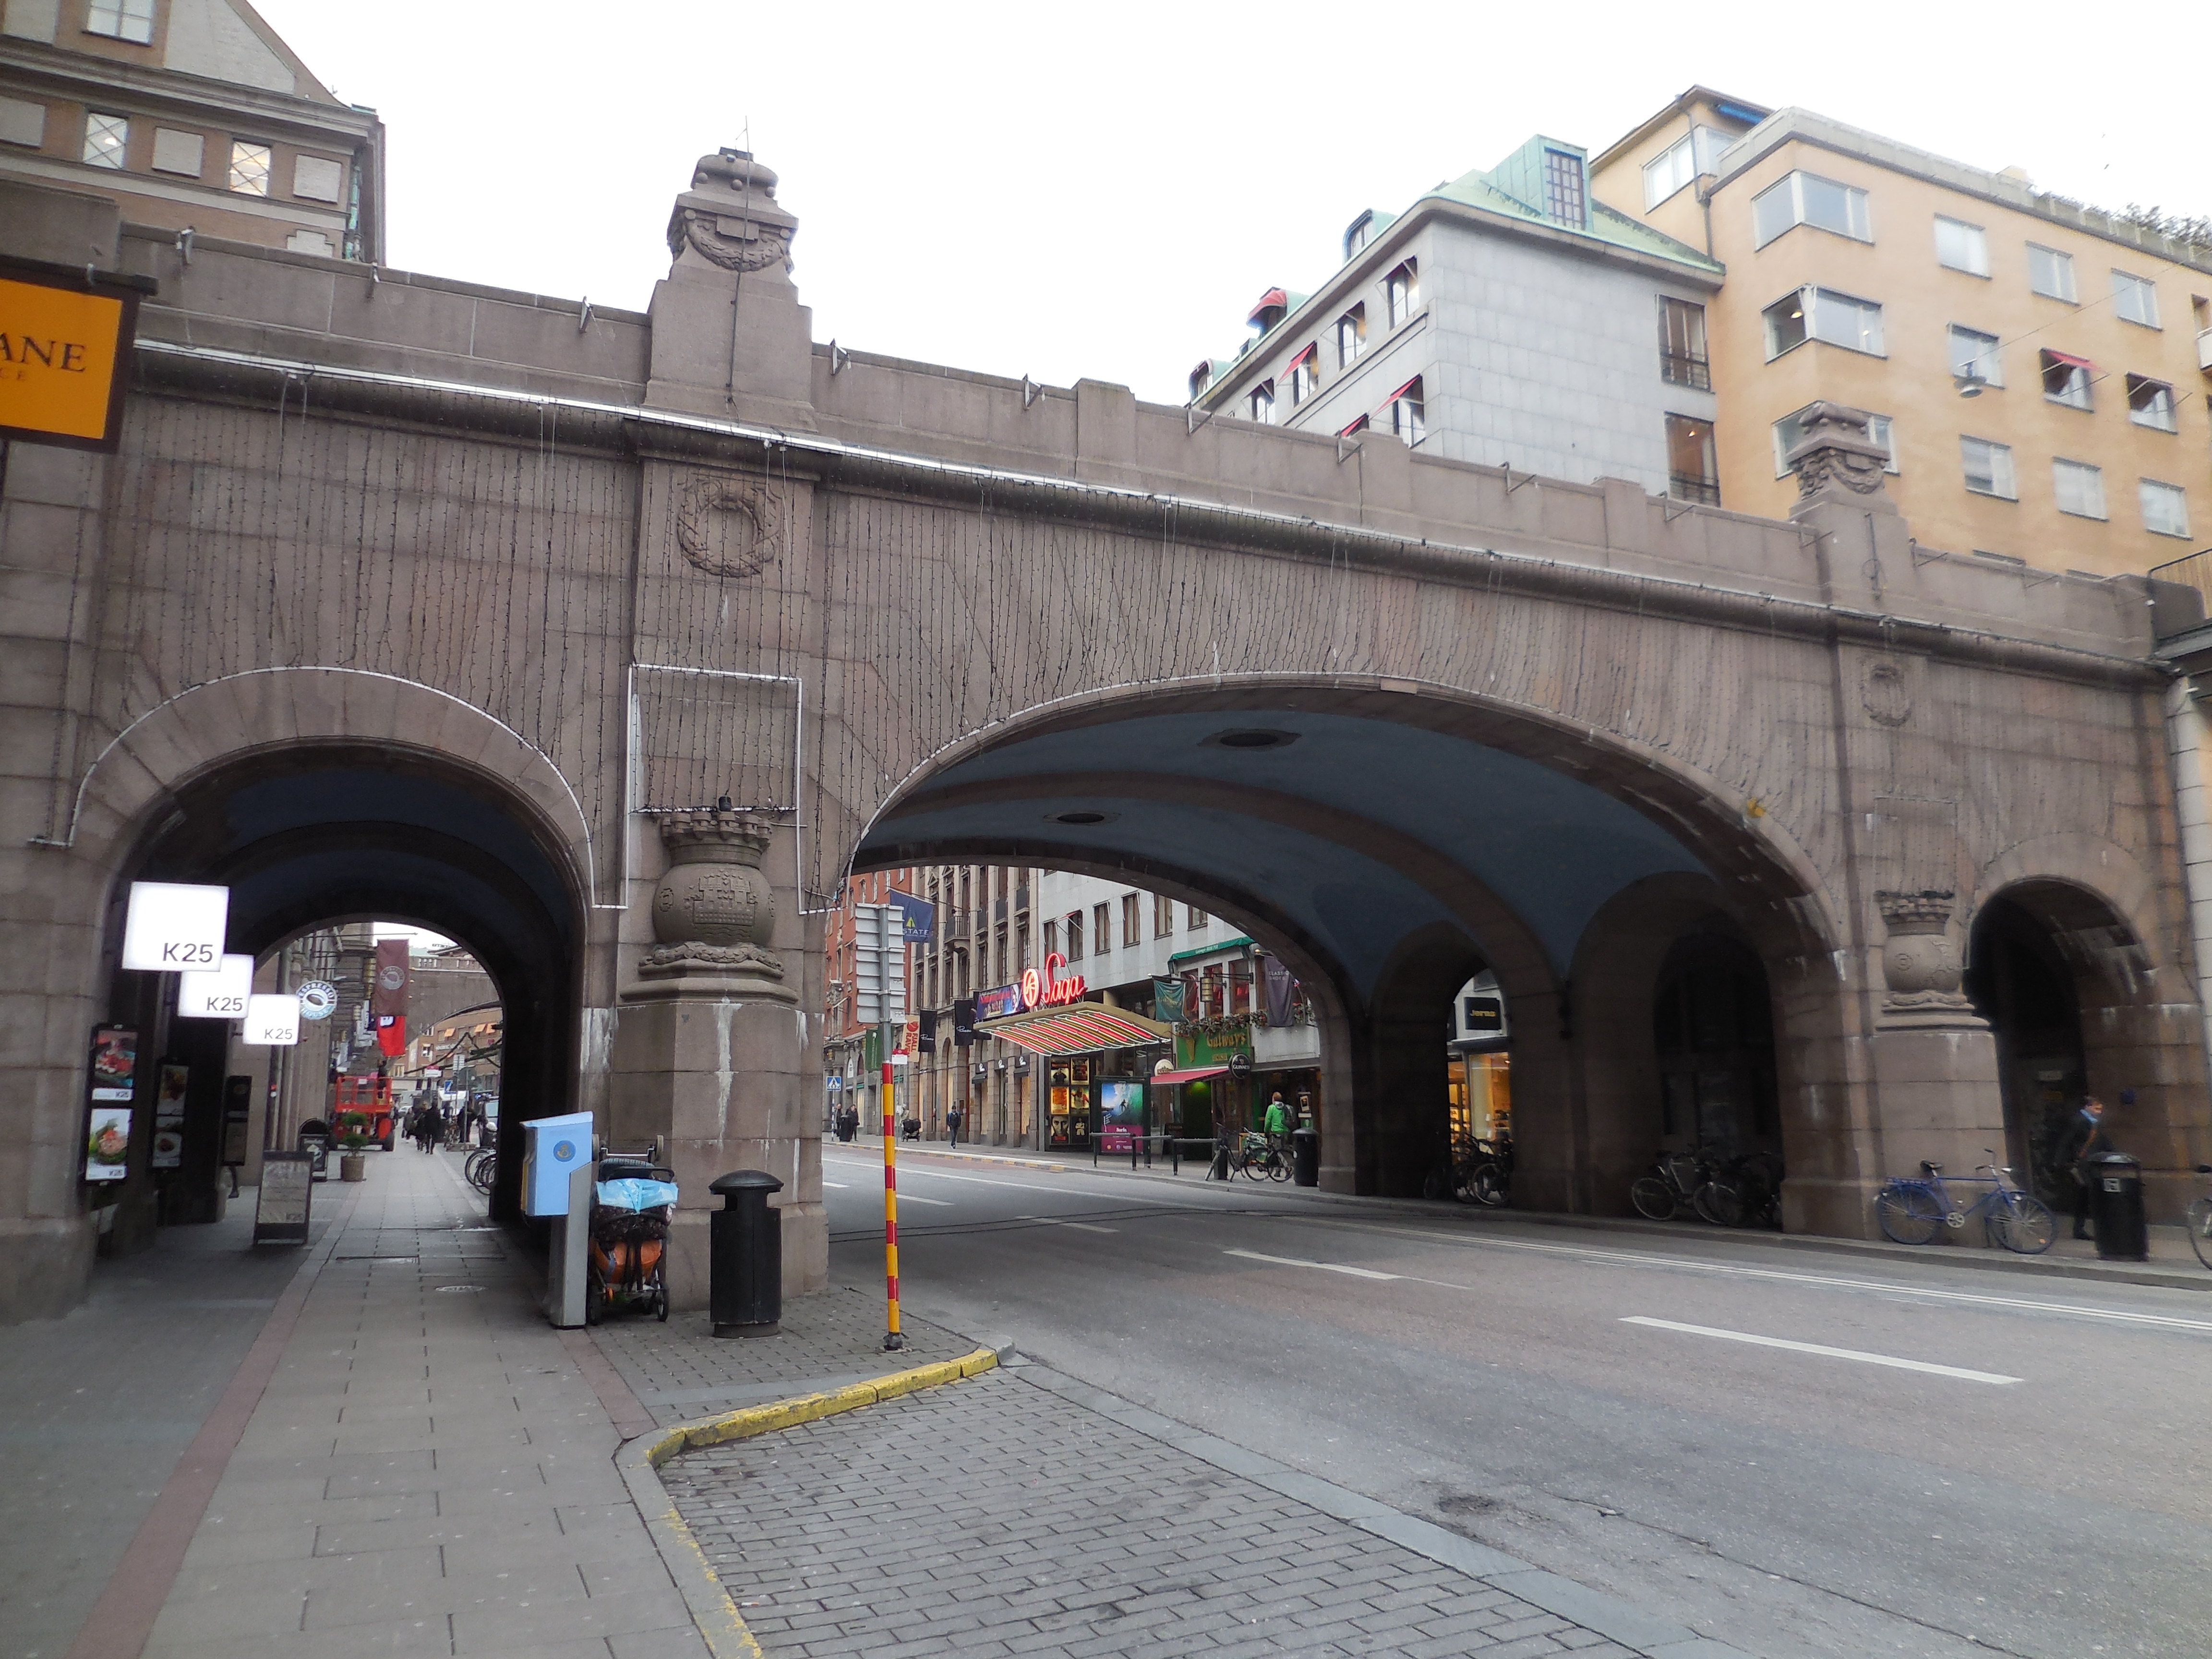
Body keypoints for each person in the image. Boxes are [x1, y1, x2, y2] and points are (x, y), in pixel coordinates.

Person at [2057, 1095, 2114, 1241]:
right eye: (2097, 1108)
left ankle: (2082, 1228)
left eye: (2100, 1109)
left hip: (2091, 1164)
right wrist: (2061, 1161)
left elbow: (2103, 1140)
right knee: (2087, 1196)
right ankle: (2082, 1229)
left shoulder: (2094, 1123)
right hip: (2082, 1165)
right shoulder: (2078, 1121)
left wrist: (2114, 1152)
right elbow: (2066, 1141)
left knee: (2086, 1197)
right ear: (2087, 1107)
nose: (2099, 1112)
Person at [1263, 1091, 1291, 1157]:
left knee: (1276, 1153)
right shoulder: (1285, 1107)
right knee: (1285, 1152)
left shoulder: (1271, 1108)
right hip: (1286, 1132)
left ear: (1273, 1099)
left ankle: (1281, 1163)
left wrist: (1266, 1131)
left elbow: (1268, 1121)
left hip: (1276, 1133)